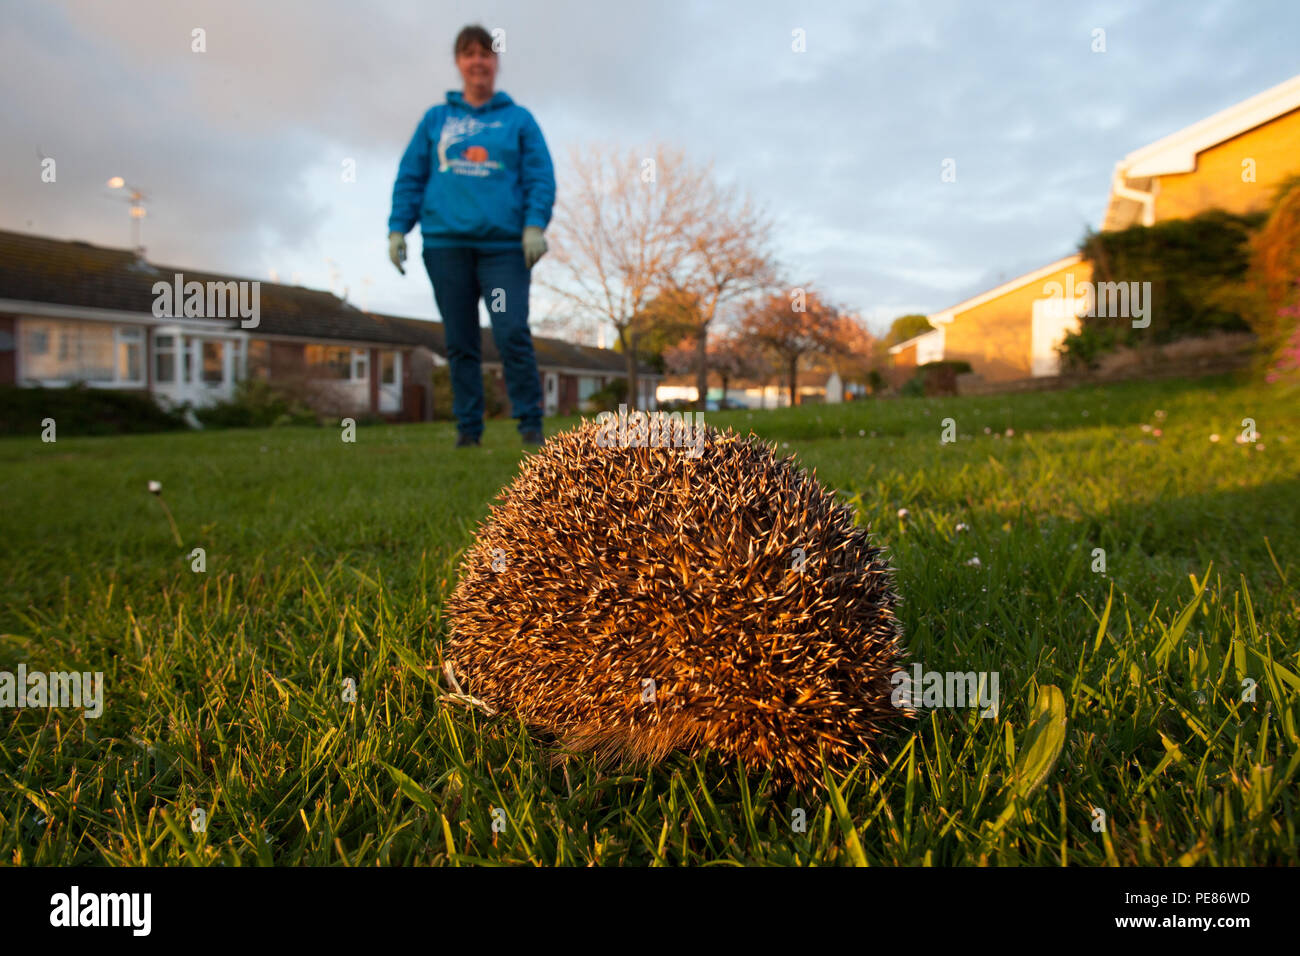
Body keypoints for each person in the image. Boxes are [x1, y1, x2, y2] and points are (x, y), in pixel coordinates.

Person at [387, 24, 555, 447]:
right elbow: (411, 175)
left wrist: (534, 224)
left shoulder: (518, 120)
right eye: (469, 53)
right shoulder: (436, 119)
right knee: (460, 341)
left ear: (496, 62)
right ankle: (468, 432)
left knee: (510, 331)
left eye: (486, 53)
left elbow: (540, 177)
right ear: (459, 62)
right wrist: (397, 229)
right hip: (447, 248)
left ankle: (530, 426)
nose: (478, 61)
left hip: (503, 250)